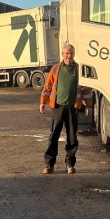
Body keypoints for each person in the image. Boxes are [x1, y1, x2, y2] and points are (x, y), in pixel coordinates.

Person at [39, 44, 93, 175]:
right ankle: (49, 165)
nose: (69, 56)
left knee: (72, 137)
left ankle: (70, 164)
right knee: (54, 136)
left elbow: (86, 90)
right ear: (62, 54)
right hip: (57, 107)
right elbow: (48, 87)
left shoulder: (79, 69)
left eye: (72, 53)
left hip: (72, 108)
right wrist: (43, 102)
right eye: (67, 53)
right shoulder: (56, 68)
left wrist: (89, 106)